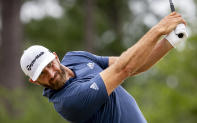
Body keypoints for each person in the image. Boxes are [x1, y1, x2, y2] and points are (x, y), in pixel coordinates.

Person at [20, 12, 187, 123]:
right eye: (42, 74)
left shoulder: (75, 57)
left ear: (55, 57)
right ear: (34, 81)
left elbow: (135, 65)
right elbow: (124, 69)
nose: (51, 73)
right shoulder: (68, 102)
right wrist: (158, 30)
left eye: (50, 65)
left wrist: (172, 40)